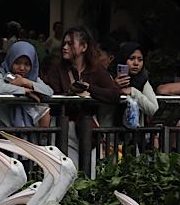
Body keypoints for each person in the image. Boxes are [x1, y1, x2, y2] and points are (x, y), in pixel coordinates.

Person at [42, 26, 121, 161]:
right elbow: (52, 97)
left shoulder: (96, 69)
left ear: (84, 47)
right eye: (64, 43)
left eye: (70, 44)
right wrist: (70, 92)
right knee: (68, 169)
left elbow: (114, 94)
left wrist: (89, 88)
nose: (65, 47)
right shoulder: (57, 69)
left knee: (91, 170)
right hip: (64, 126)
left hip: (88, 127)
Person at [0, 41, 53, 128]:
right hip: (3, 127)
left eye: (27, 64)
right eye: (17, 63)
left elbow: (49, 92)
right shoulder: (0, 73)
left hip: (29, 130)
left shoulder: (32, 77)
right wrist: (24, 91)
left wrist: (25, 82)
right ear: (11, 59)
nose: (22, 68)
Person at [112, 42, 158, 120]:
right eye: (131, 59)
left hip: (135, 126)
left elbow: (154, 110)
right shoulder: (110, 76)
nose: (136, 63)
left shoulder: (142, 80)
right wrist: (114, 87)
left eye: (140, 60)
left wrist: (133, 92)